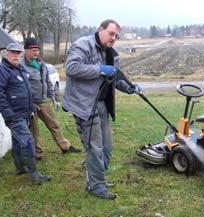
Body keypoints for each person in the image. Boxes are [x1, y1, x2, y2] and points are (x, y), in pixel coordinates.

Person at [63, 19, 140, 200]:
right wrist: (99, 69)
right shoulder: (83, 45)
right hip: (84, 105)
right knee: (95, 148)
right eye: (111, 33)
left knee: (107, 147)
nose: (114, 38)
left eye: (116, 36)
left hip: (102, 104)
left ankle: (97, 179)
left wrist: (128, 87)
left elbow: (114, 78)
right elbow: (71, 68)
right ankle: (96, 186)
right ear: (101, 29)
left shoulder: (112, 54)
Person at [0, 42, 51, 183]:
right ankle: (35, 174)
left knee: (17, 141)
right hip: (14, 115)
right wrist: (8, 115)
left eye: (18, 53)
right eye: (12, 52)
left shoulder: (20, 68)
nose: (15, 55)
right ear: (6, 53)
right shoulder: (0, 69)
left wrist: (31, 110)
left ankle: (20, 168)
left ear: (21, 54)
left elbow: (27, 91)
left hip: (25, 113)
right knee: (28, 141)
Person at [21, 38, 81, 160]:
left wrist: (53, 98)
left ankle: (65, 147)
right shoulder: (21, 66)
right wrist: (28, 102)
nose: (36, 52)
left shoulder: (41, 64)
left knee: (54, 124)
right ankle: (37, 154)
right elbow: (20, 86)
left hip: (43, 101)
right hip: (31, 104)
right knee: (34, 130)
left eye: (37, 49)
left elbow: (47, 81)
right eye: (33, 50)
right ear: (26, 50)